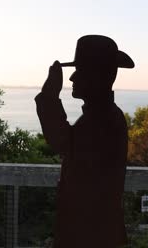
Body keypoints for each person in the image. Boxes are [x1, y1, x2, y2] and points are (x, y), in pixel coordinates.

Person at [35, 35, 134, 248]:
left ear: (96, 76)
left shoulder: (101, 120)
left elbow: (62, 141)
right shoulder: (104, 116)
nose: (72, 78)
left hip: (89, 234)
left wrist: (49, 95)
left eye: (79, 71)